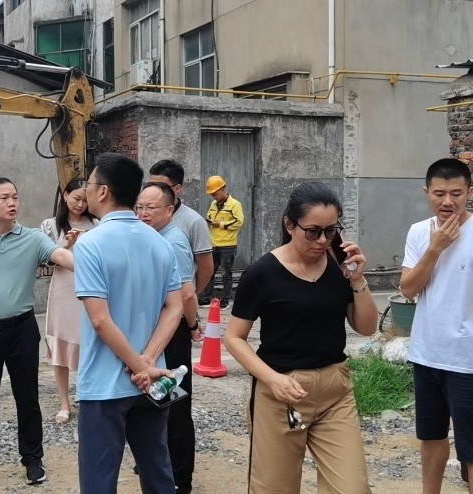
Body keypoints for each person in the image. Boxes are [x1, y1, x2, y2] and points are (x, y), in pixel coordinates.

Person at [223, 181, 377, 493]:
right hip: (281, 391)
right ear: (290, 225)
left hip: (335, 390)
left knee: (352, 488)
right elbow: (234, 337)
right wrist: (272, 379)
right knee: (274, 488)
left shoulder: (340, 267)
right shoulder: (262, 273)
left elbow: (366, 327)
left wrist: (358, 280)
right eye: (313, 231)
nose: (322, 240)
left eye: (331, 231)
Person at [399, 158, 473, 494]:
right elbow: (408, 289)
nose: (447, 201)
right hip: (426, 354)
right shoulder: (419, 232)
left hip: (467, 359)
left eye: (456, 193)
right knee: (431, 437)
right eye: (439, 194)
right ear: (426, 192)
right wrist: (435, 248)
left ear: (469, 192)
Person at [0, 177, 76, 487]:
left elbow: (61, 256)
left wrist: (95, 262)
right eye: (4, 198)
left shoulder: (33, 238)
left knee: (28, 397)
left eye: (15, 197)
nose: (12, 203)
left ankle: (32, 459)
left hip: (22, 328)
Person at [74, 152, 183, 493]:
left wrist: (138, 365)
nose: (86, 191)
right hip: (153, 381)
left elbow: (100, 320)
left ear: (103, 191)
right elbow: (175, 308)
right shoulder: (160, 243)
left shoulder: (90, 243)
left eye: (89, 184)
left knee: (99, 480)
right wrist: (149, 360)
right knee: (158, 472)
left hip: (105, 383)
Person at [137, 182, 201, 494]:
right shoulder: (154, 237)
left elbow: (187, 294)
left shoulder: (173, 241)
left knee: (174, 403)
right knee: (158, 400)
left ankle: (180, 478)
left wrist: (192, 325)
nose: (144, 213)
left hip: (173, 332)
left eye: (151, 208)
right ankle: (160, 466)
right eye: (140, 207)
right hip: (160, 329)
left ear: (170, 210)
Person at [39, 178, 98, 424]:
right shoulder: (50, 225)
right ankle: (64, 402)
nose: (80, 204)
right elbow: (44, 259)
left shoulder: (97, 224)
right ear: (65, 196)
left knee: (90, 343)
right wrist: (65, 245)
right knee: (60, 345)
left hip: (91, 289)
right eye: (76, 198)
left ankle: (86, 395)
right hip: (63, 290)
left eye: (85, 200)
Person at [148, 159, 214, 306]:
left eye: (161, 187)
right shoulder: (142, 216)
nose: (154, 191)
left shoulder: (194, 221)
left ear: (177, 189)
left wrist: (188, 295)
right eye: (151, 186)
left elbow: (206, 268)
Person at [202, 175, 243, 309]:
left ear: (223, 189)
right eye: (212, 194)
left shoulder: (234, 204)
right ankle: (206, 298)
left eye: (215, 193)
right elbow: (209, 216)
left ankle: (225, 301)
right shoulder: (213, 204)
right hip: (214, 244)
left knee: (226, 274)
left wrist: (220, 224)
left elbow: (239, 222)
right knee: (209, 272)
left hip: (228, 245)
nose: (213, 196)